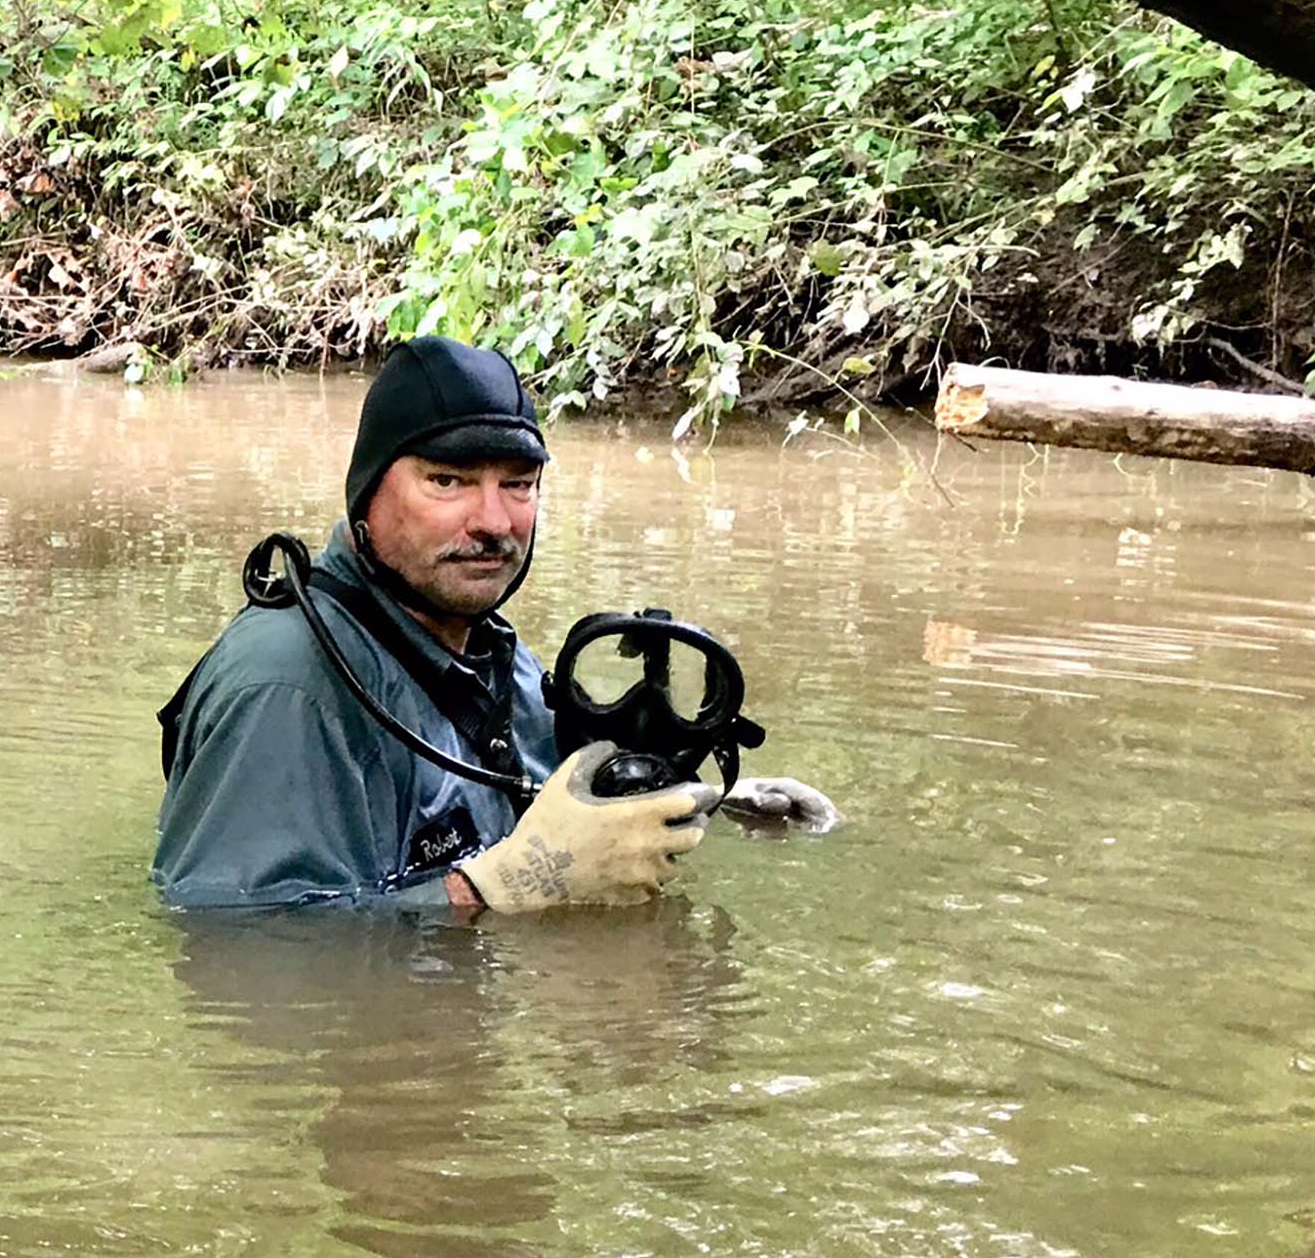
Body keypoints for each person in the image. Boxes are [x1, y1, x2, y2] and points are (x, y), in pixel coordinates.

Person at [153, 336, 828, 915]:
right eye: (447, 481)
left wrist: (705, 801)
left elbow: (550, 797)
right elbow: (237, 946)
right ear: (367, 491)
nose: (494, 521)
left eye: (519, 483)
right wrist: (502, 888)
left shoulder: (481, 643)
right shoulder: (289, 685)